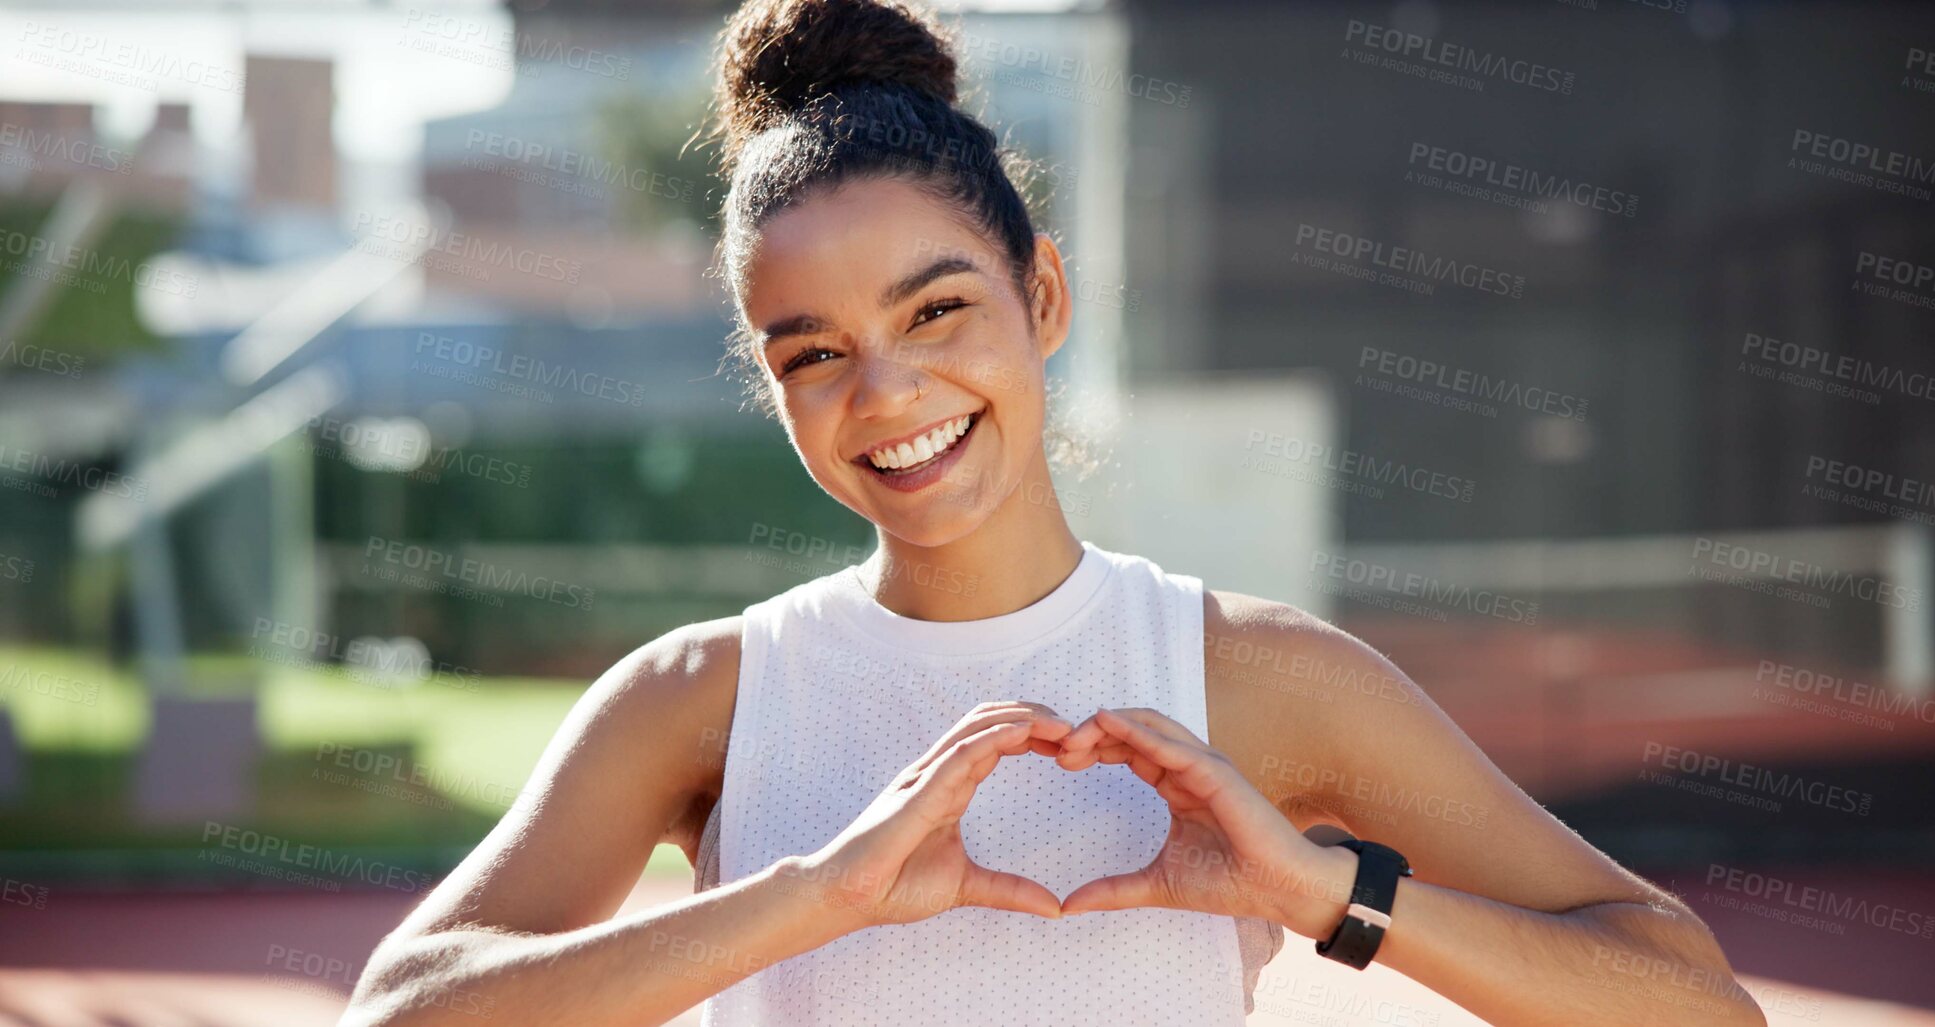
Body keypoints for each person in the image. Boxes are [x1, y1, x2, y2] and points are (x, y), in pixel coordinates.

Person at [344, 1, 1761, 1024]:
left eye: (937, 310)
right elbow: (399, 1016)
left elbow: (1696, 1007)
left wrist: (1330, 893)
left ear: (1044, 300)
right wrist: (809, 900)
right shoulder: (698, 696)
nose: (888, 393)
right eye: (813, 353)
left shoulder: (1255, 678)